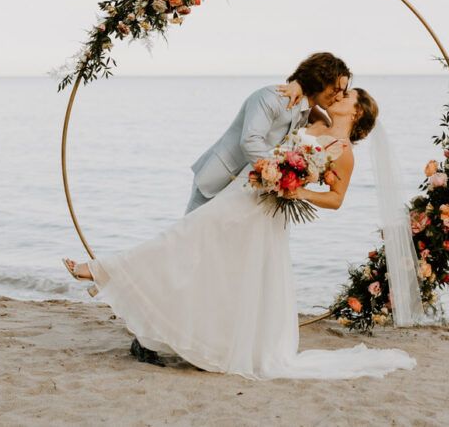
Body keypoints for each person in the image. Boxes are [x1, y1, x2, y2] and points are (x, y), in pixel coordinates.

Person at [62, 87, 417, 380]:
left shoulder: (344, 153)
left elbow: (336, 199)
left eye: (349, 95)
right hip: (245, 192)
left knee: (216, 260)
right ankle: (113, 279)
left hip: (265, 211)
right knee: (190, 239)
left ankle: (103, 272)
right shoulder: (315, 121)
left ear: (357, 112)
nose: (340, 95)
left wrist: (297, 191)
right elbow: (279, 122)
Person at [185, 52, 350, 214]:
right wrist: (281, 178)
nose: (340, 97)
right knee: (189, 237)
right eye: (336, 89)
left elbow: (324, 127)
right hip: (218, 180)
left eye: (343, 91)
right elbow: (250, 141)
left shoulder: (306, 112)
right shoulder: (272, 98)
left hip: (244, 195)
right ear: (319, 80)